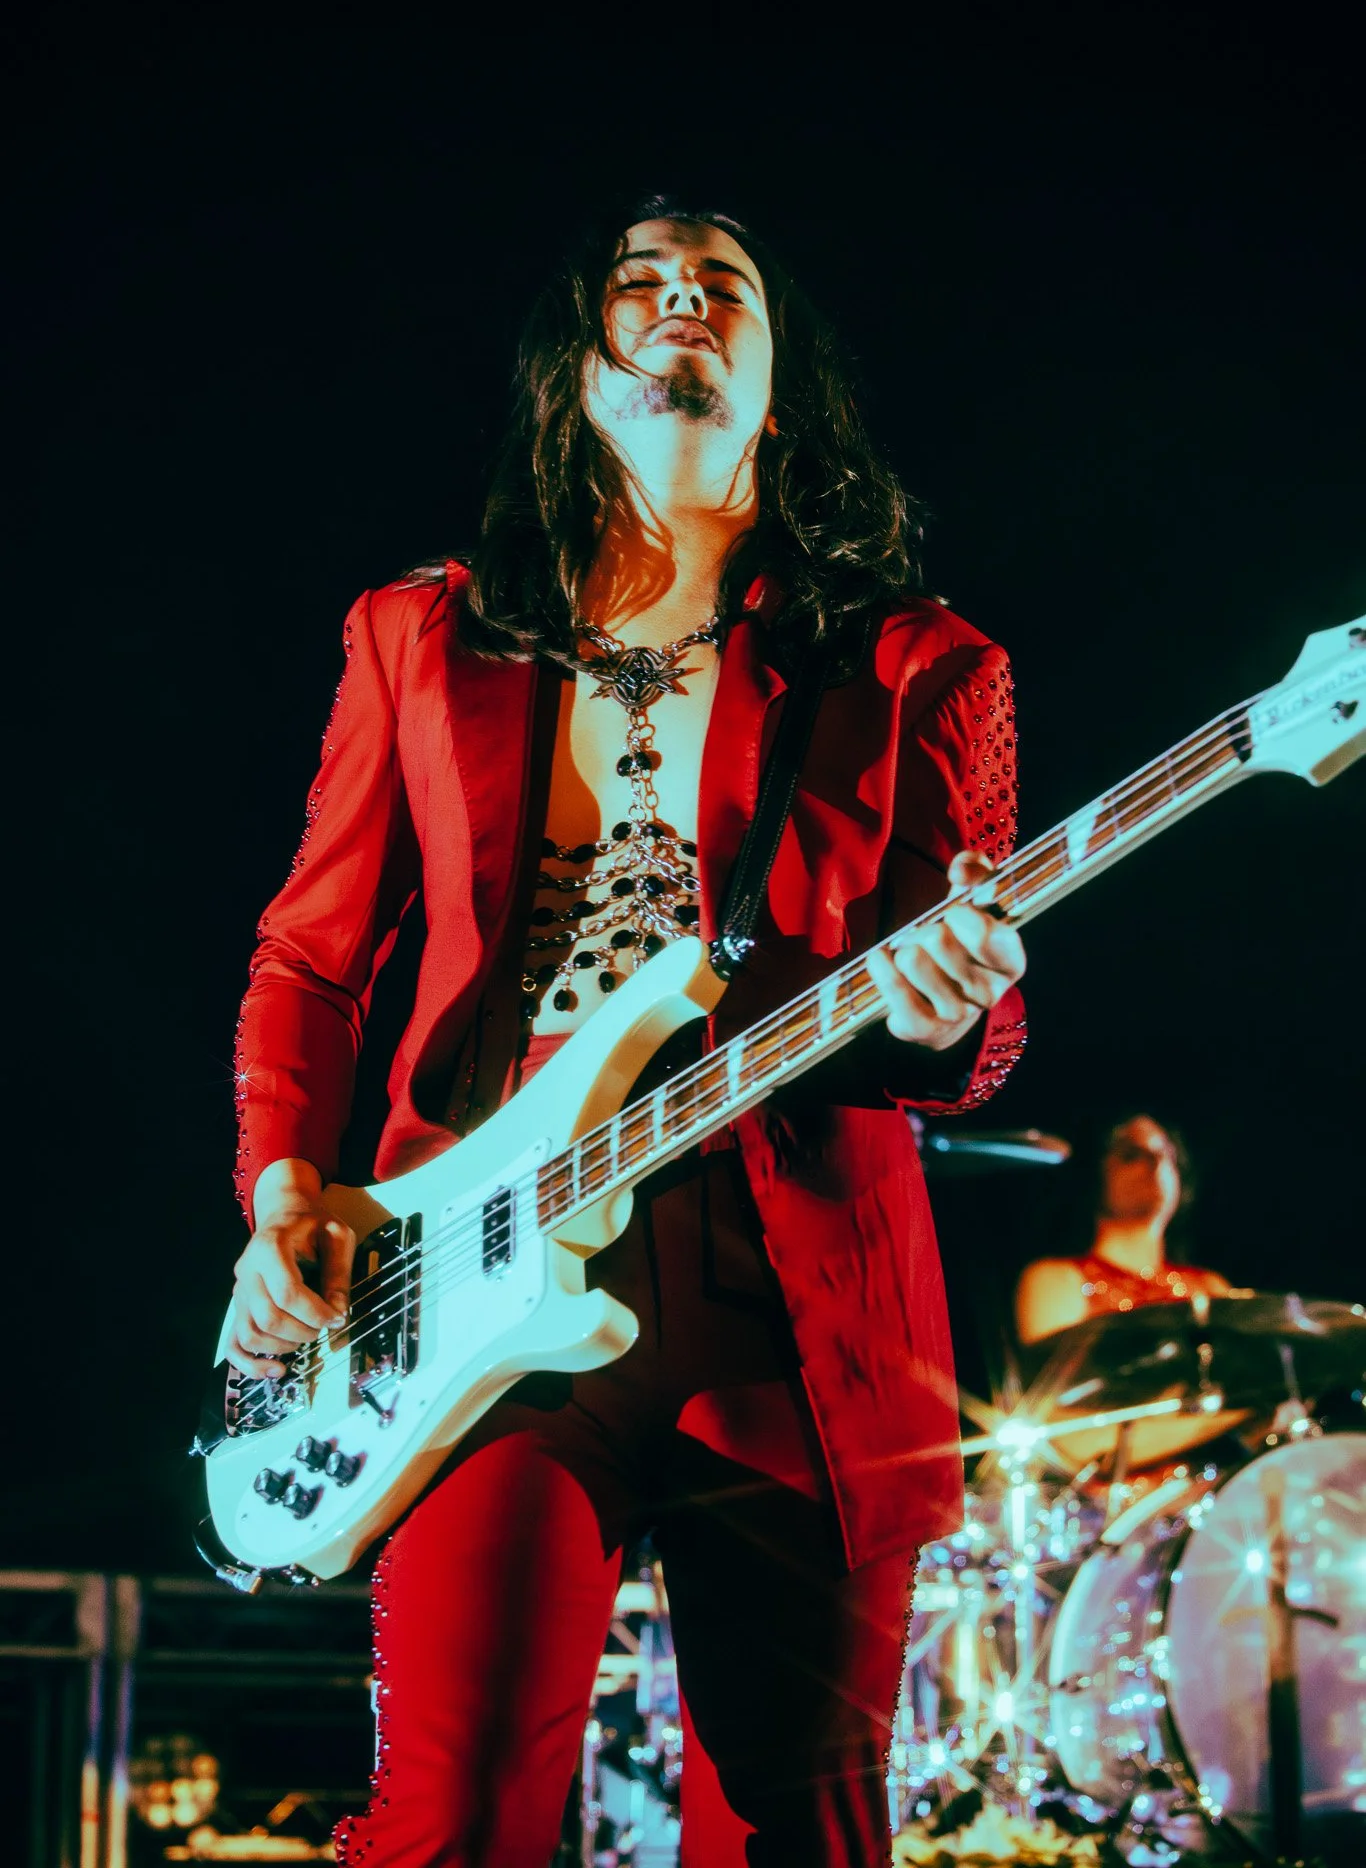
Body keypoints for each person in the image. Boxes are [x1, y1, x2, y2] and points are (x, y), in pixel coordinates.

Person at [226, 197, 1028, 1868]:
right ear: (576, 379)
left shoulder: (919, 665)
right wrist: (284, 1182)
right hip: (475, 1271)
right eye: (638, 284)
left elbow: (970, 1018)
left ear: (777, 388)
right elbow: (309, 953)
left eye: (723, 285)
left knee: (799, 1830)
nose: (680, 302)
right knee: (448, 1817)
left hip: (793, 1300)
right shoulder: (420, 636)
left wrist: (953, 1006)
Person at [1015, 1114, 1231, 1347]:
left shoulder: (1210, 1287)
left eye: (1166, 1154)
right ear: (1093, 1174)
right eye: (1131, 1155)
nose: (1155, 1162)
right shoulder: (1057, 1281)